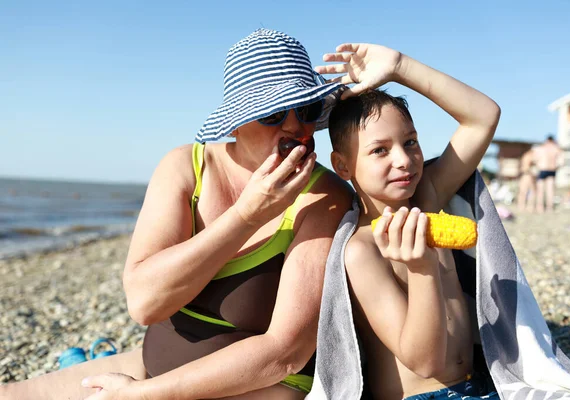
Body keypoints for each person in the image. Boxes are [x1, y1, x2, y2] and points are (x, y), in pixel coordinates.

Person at [1, 29, 352, 400]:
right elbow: (144, 304)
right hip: (152, 371)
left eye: (308, 110)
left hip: (259, 387)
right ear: (236, 122)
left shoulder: (324, 196)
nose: (296, 126)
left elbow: (285, 355)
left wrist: (142, 394)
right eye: (274, 113)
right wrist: (246, 215)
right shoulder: (186, 166)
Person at [317, 42, 501, 399]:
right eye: (380, 150)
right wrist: (421, 268)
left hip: (476, 385)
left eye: (411, 142)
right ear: (342, 166)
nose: (404, 160)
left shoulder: (426, 196)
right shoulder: (363, 250)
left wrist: (400, 66)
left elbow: (483, 116)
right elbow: (424, 361)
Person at [534, 135, 563, 213]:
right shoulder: (556, 148)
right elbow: (561, 162)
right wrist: (556, 167)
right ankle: (549, 208)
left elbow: (535, 159)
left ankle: (539, 207)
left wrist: (538, 165)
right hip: (552, 170)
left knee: (540, 190)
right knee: (550, 190)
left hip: (543, 169)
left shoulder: (541, 148)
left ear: (547, 140)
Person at [517, 147, 536, 212]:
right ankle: (529, 207)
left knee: (523, 192)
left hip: (524, 175)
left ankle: (521, 206)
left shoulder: (525, 156)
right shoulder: (529, 156)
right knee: (531, 192)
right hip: (528, 175)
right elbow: (526, 168)